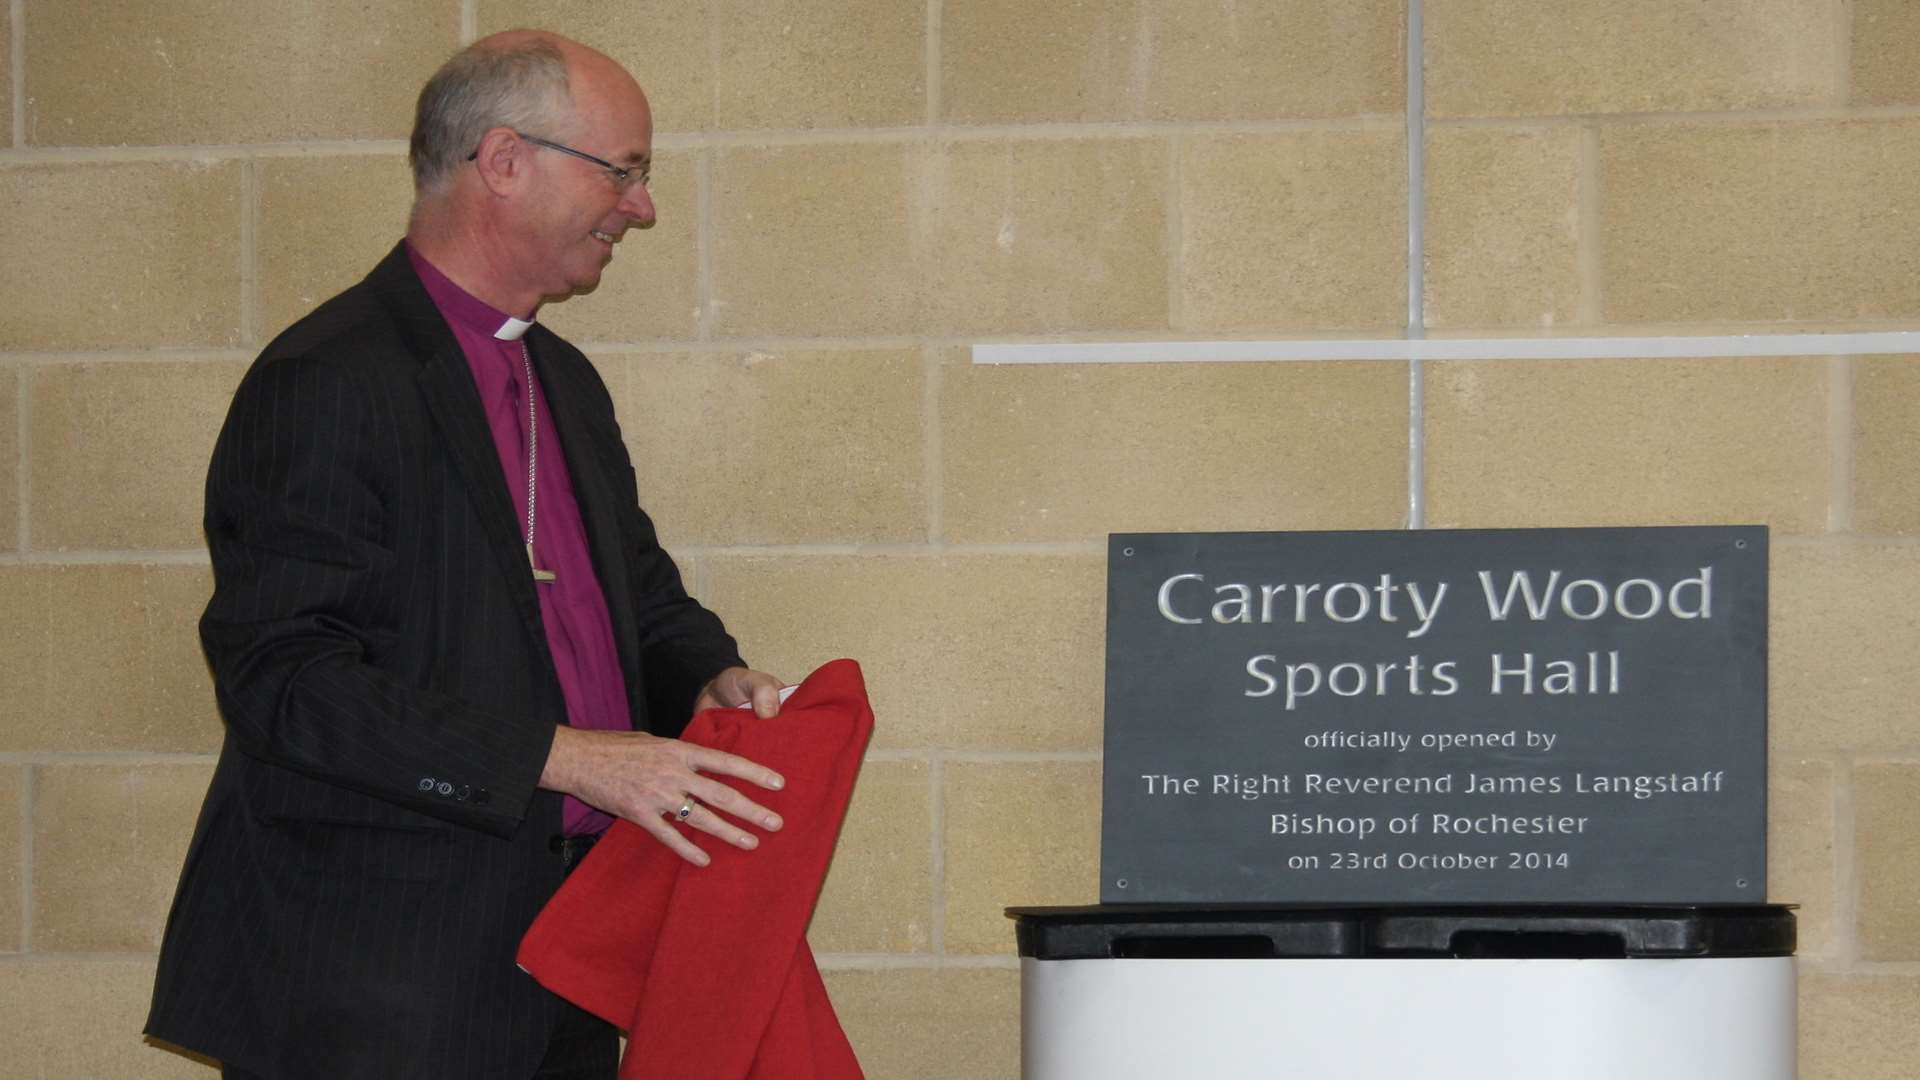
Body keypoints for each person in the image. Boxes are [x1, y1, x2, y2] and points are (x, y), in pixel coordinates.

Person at [145, 30, 787, 1080]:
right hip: (372, 985)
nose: (642, 206)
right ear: (503, 161)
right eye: (622, 171)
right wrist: (567, 755)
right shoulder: (328, 379)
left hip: (560, 964)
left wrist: (712, 672)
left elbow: (636, 594)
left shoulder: (563, 384)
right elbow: (288, 683)